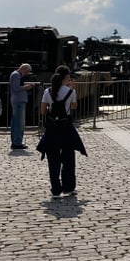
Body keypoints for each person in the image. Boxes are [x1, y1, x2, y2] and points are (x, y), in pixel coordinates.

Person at [39, 70, 85, 199]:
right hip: (66, 128)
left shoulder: (47, 92)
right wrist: (71, 90)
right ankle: (69, 187)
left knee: (53, 159)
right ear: (65, 79)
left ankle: (55, 189)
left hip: (53, 128)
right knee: (68, 158)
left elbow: (43, 110)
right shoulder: (71, 91)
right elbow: (74, 106)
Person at [8, 63, 36, 150]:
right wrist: (26, 87)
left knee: (16, 122)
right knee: (19, 123)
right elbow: (16, 88)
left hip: (18, 101)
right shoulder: (16, 75)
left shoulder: (15, 75)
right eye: (27, 72)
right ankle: (17, 142)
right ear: (23, 69)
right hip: (18, 102)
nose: (27, 74)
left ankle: (16, 141)